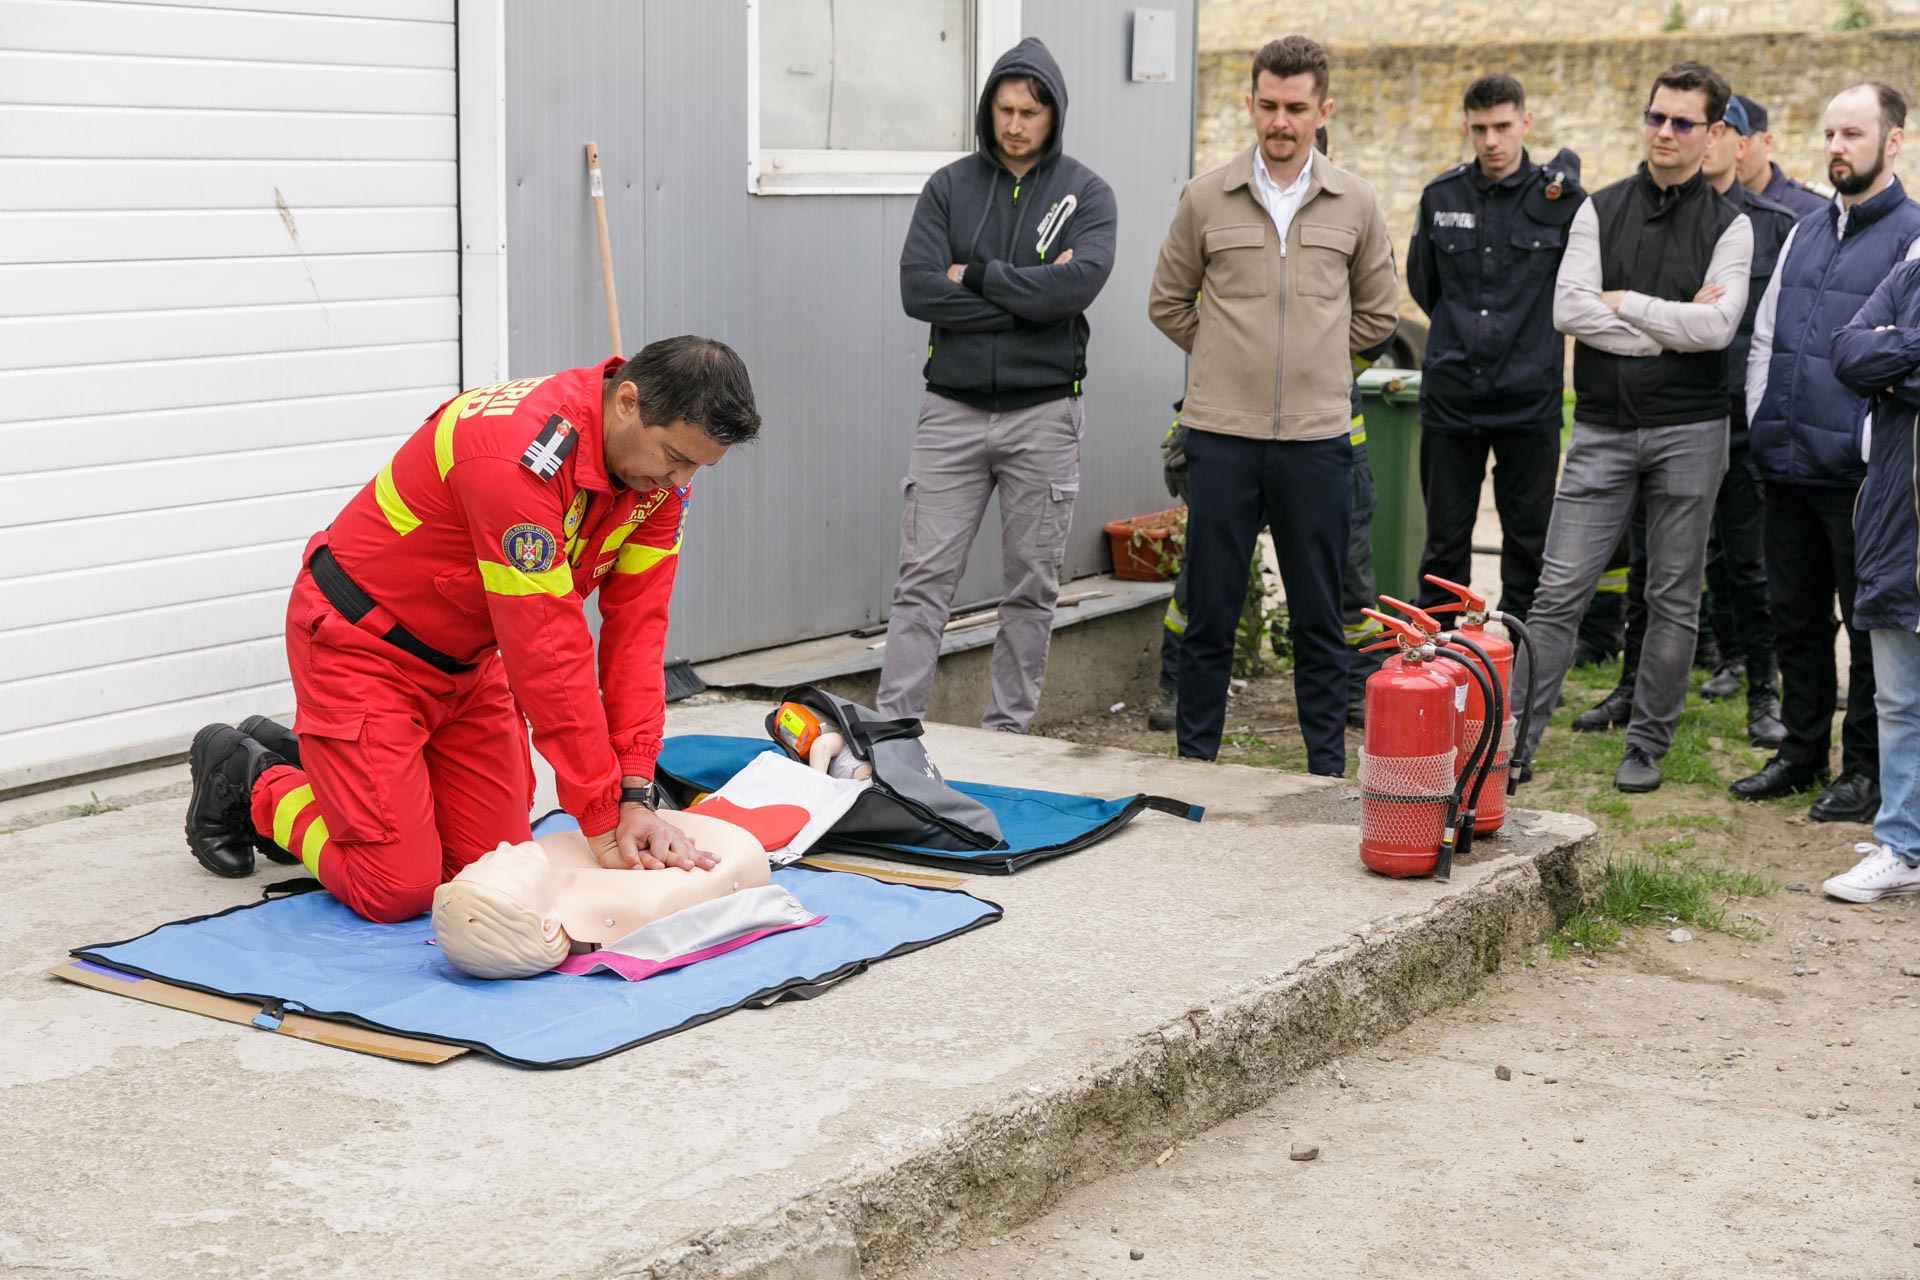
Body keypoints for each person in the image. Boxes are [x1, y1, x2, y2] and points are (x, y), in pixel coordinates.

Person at [182, 337, 762, 922]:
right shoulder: (517, 459)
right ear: (628, 402)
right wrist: (601, 812)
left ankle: (339, 771)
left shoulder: (655, 484)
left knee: (487, 874)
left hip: (468, 661)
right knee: (396, 888)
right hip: (361, 648)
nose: (678, 479)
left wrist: (636, 791)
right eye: (674, 456)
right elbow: (548, 650)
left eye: (696, 467)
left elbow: (637, 633)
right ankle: (256, 780)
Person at [1148, 35, 1398, 775]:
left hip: (1317, 443)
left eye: (1295, 108)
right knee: (1210, 616)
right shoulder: (1205, 197)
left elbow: (1378, 315)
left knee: (1320, 619)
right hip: (1221, 438)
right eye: (1268, 106)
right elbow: (1168, 302)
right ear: (1250, 105)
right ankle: (1196, 766)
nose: (1280, 121)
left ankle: (1324, 772)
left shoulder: (1356, 201)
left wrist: (1320, 368)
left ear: (1323, 111)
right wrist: (1225, 361)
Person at [1512, 61, 1753, 794]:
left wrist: (1623, 304)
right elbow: (1568, 309)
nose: (1664, 133)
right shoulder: (1598, 209)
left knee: (1673, 597)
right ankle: (1512, 742)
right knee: (1558, 591)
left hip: (1692, 430)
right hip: (1603, 427)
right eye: (1656, 117)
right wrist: (1664, 331)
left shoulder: (1732, 225)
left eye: (1682, 122)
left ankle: (1646, 744)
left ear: (1714, 133)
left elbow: (1717, 328)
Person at [880, 37, 1117, 734]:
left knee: (1032, 586)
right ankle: (893, 730)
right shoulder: (949, 187)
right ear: (989, 109)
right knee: (922, 581)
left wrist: (975, 274)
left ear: (1054, 115)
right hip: (950, 412)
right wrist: (1031, 299)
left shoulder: (1087, 194)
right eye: (1005, 110)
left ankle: (1007, 734)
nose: (1015, 125)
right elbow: (918, 290)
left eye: (1029, 113)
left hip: (1045, 414)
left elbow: (1076, 288)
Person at [1571, 91, 1795, 748]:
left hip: (1741, 421)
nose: (1686, 136)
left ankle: (1762, 691)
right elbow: (1629, 307)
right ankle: (1632, 686)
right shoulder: (1652, 214)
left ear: (1730, 139)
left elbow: (1764, 329)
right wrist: (1682, 314)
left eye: (1709, 129)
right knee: (1650, 567)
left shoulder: (1773, 225)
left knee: (1748, 566)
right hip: (1667, 412)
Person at [1734, 81, 1920, 822]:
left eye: (1853, 134)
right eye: (1830, 135)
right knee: (1796, 618)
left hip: (1862, 475)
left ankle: (1865, 771)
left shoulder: (1912, 236)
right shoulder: (1806, 229)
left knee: (1871, 626)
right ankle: (1802, 751)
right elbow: (1767, 335)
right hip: (1784, 462)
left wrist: (1868, 441)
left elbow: (1900, 355)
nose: (1837, 148)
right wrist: (1761, 421)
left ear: (1893, 141)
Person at [1408, 74, 1582, 625]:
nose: (1491, 141)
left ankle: (1521, 655)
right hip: (1452, 395)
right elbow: (1424, 284)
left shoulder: (1563, 202)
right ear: (1466, 128)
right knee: (1444, 545)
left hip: (1528, 399)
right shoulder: (1441, 197)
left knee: (1528, 541)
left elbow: (1579, 288)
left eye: (1503, 126)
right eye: (1480, 129)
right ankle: (1439, 655)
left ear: (1525, 123)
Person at [1823, 256, 1920, 900]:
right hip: (1895, 522)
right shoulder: (1912, 275)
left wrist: (1892, 363)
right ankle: (1903, 845)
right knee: (1899, 701)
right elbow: (1846, 353)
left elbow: (1875, 364)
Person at [1734, 93, 1831, 220]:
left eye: (1741, 144)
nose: (1732, 154)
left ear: (1767, 142)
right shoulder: (1711, 207)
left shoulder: (1812, 210)